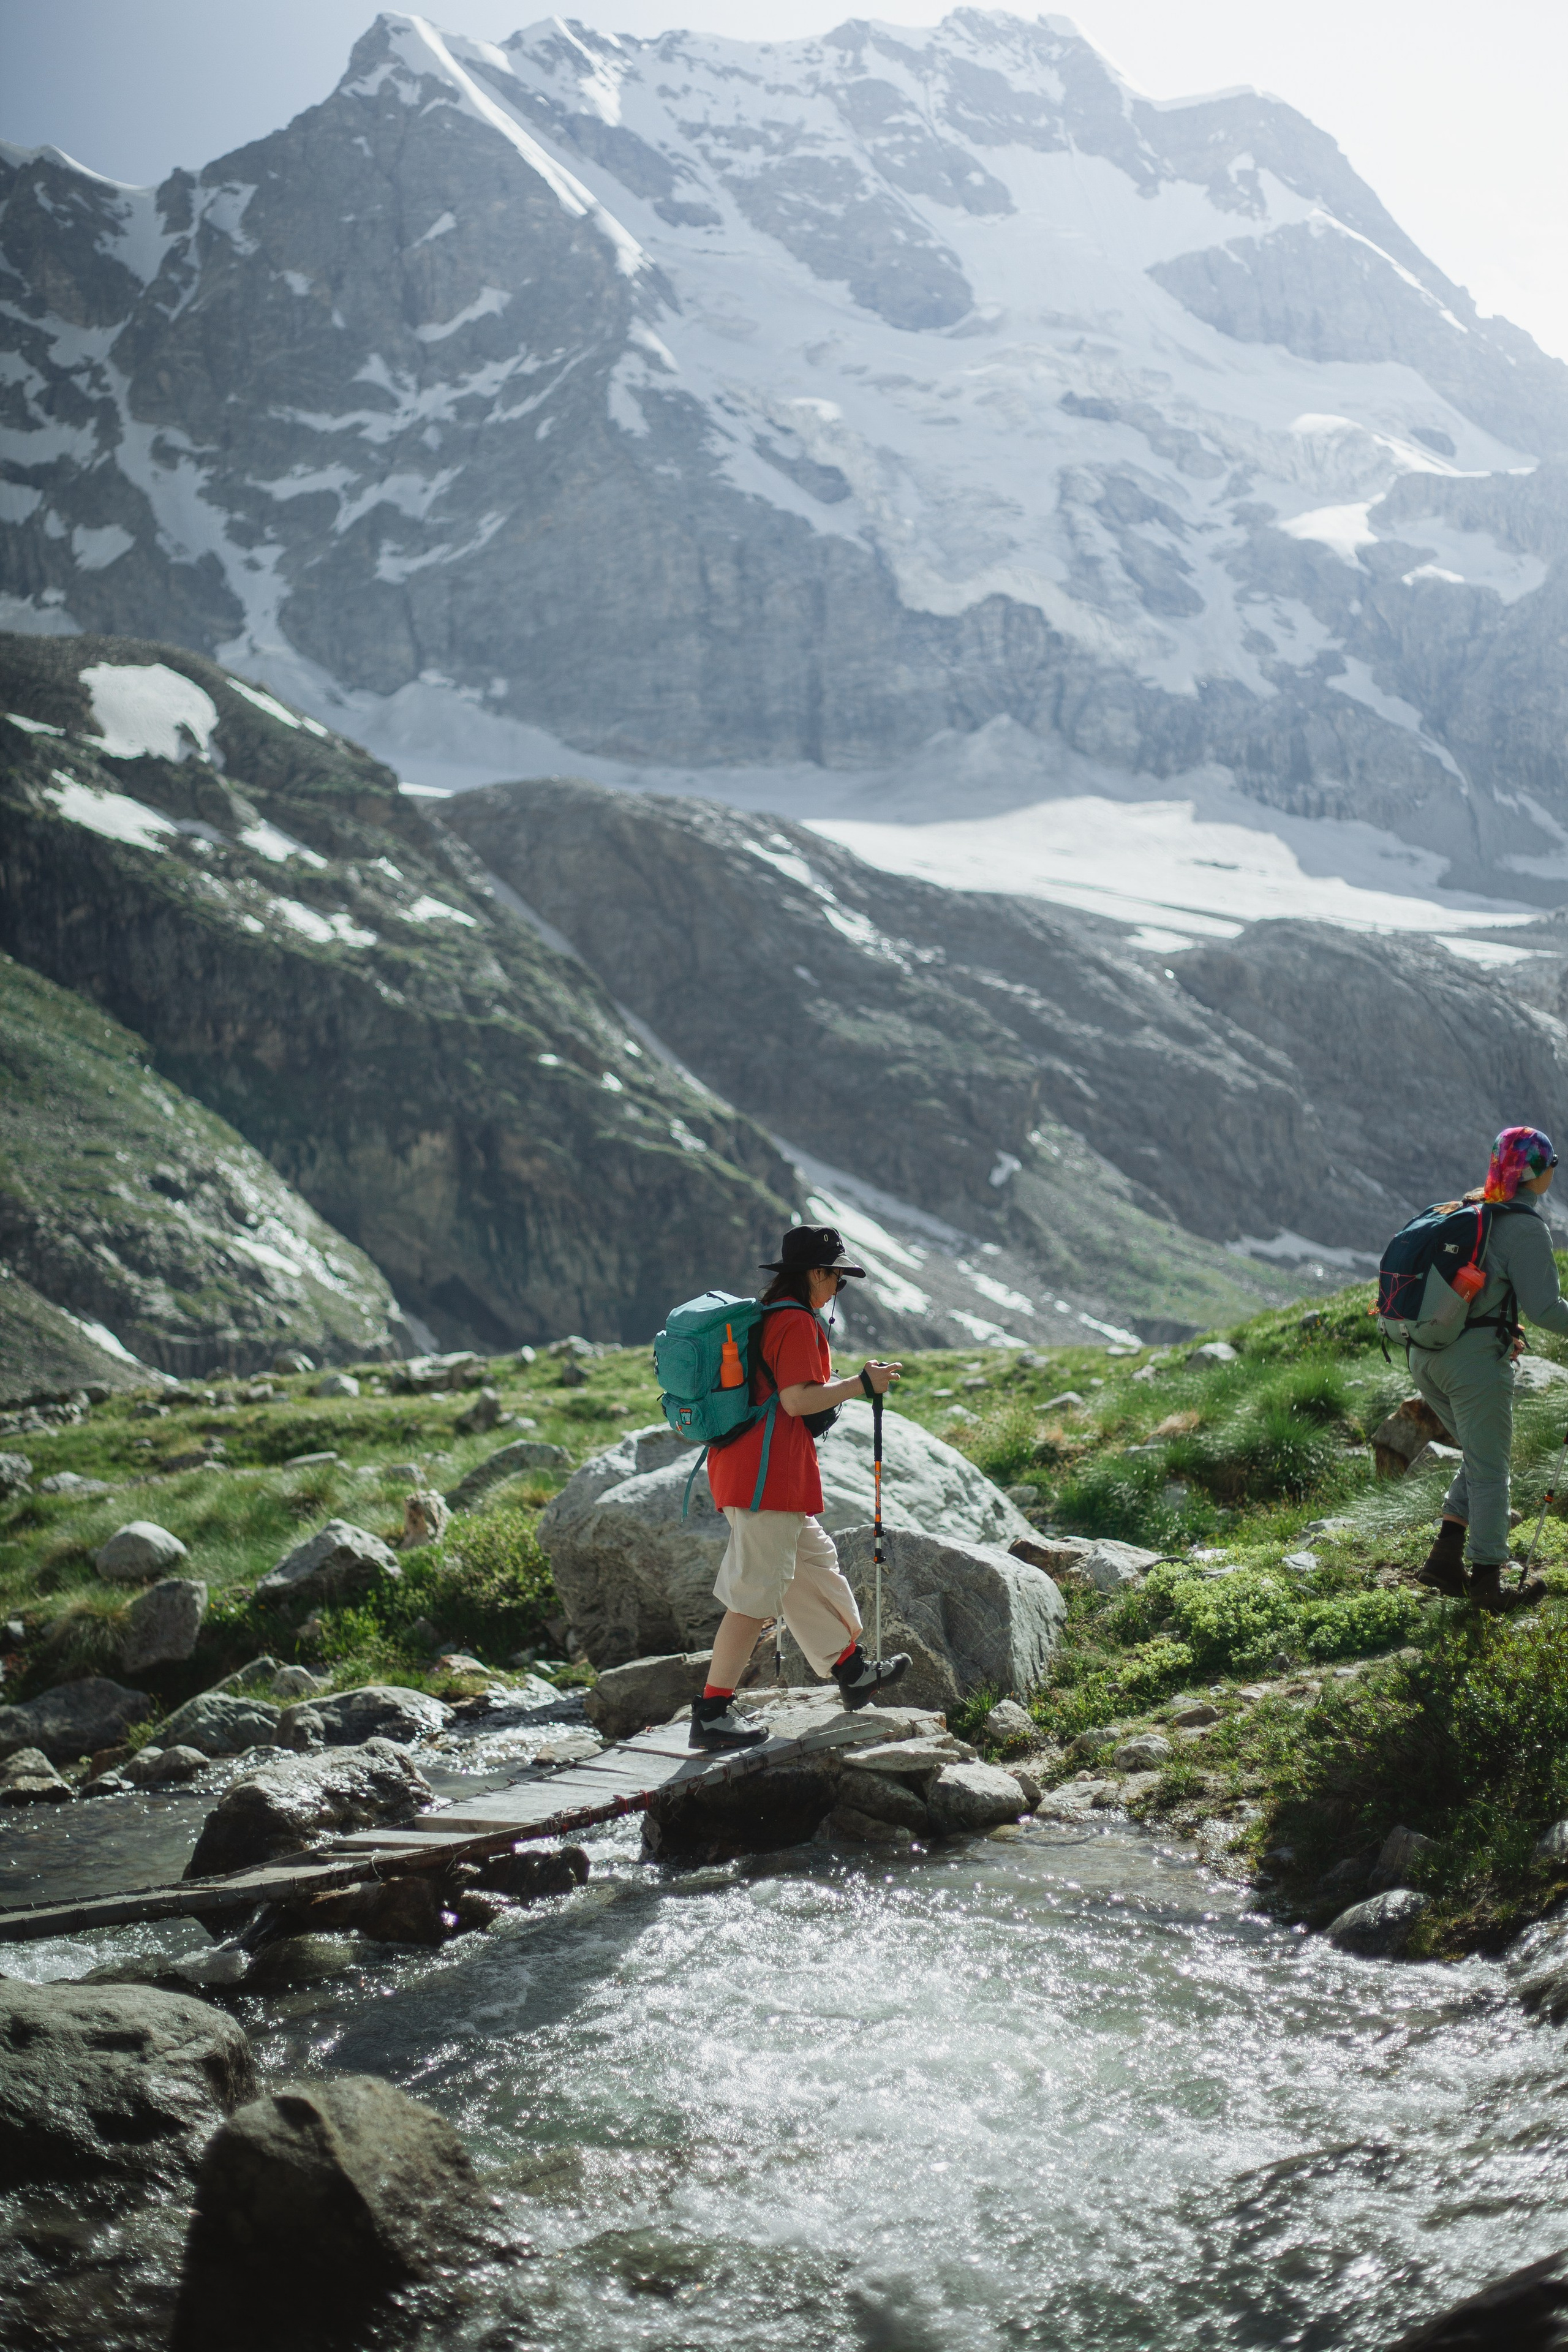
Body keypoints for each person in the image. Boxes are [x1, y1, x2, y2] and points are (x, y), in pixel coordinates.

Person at [690, 1225, 913, 1750]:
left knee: (812, 1563)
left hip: (757, 1473)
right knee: (753, 1595)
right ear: (817, 1274)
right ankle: (714, 1711)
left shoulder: (773, 1318)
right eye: (838, 1276)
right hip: (766, 1478)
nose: (839, 1287)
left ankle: (851, 1669)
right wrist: (862, 1385)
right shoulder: (795, 1323)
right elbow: (796, 1400)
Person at [1412, 1125, 1568, 1612]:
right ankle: (1487, 1585)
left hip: (1425, 1353)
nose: (1554, 1171)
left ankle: (1444, 1558)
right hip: (1471, 1364)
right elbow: (1546, 1309)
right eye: (1550, 1164)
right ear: (1533, 1173)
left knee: (1480, 1456)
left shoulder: (1471, 1209)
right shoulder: (1523, 1225)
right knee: (1492, 1467)